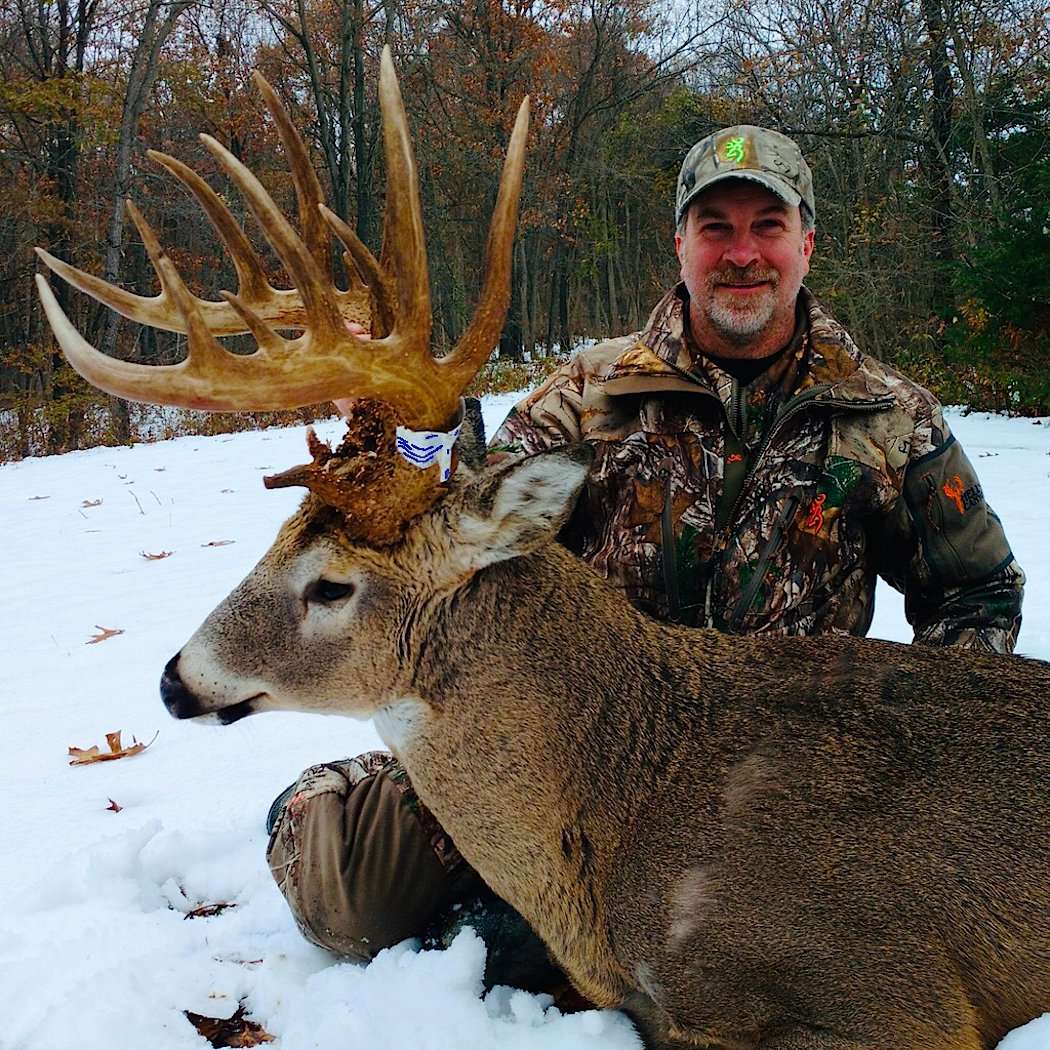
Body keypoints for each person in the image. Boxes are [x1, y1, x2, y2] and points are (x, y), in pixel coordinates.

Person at [265, 125, 1025, 992]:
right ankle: (340, 804)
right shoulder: (588, 395)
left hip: (785, 776)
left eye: (766, 226)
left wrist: (914, 758)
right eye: (716, 228)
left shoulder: (889, 415)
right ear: (680, 244)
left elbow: (979, 590)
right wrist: (406, 420)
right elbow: (456, 525)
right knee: (355, 898)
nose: (743, 254)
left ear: (806, 243)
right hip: (578, 750)